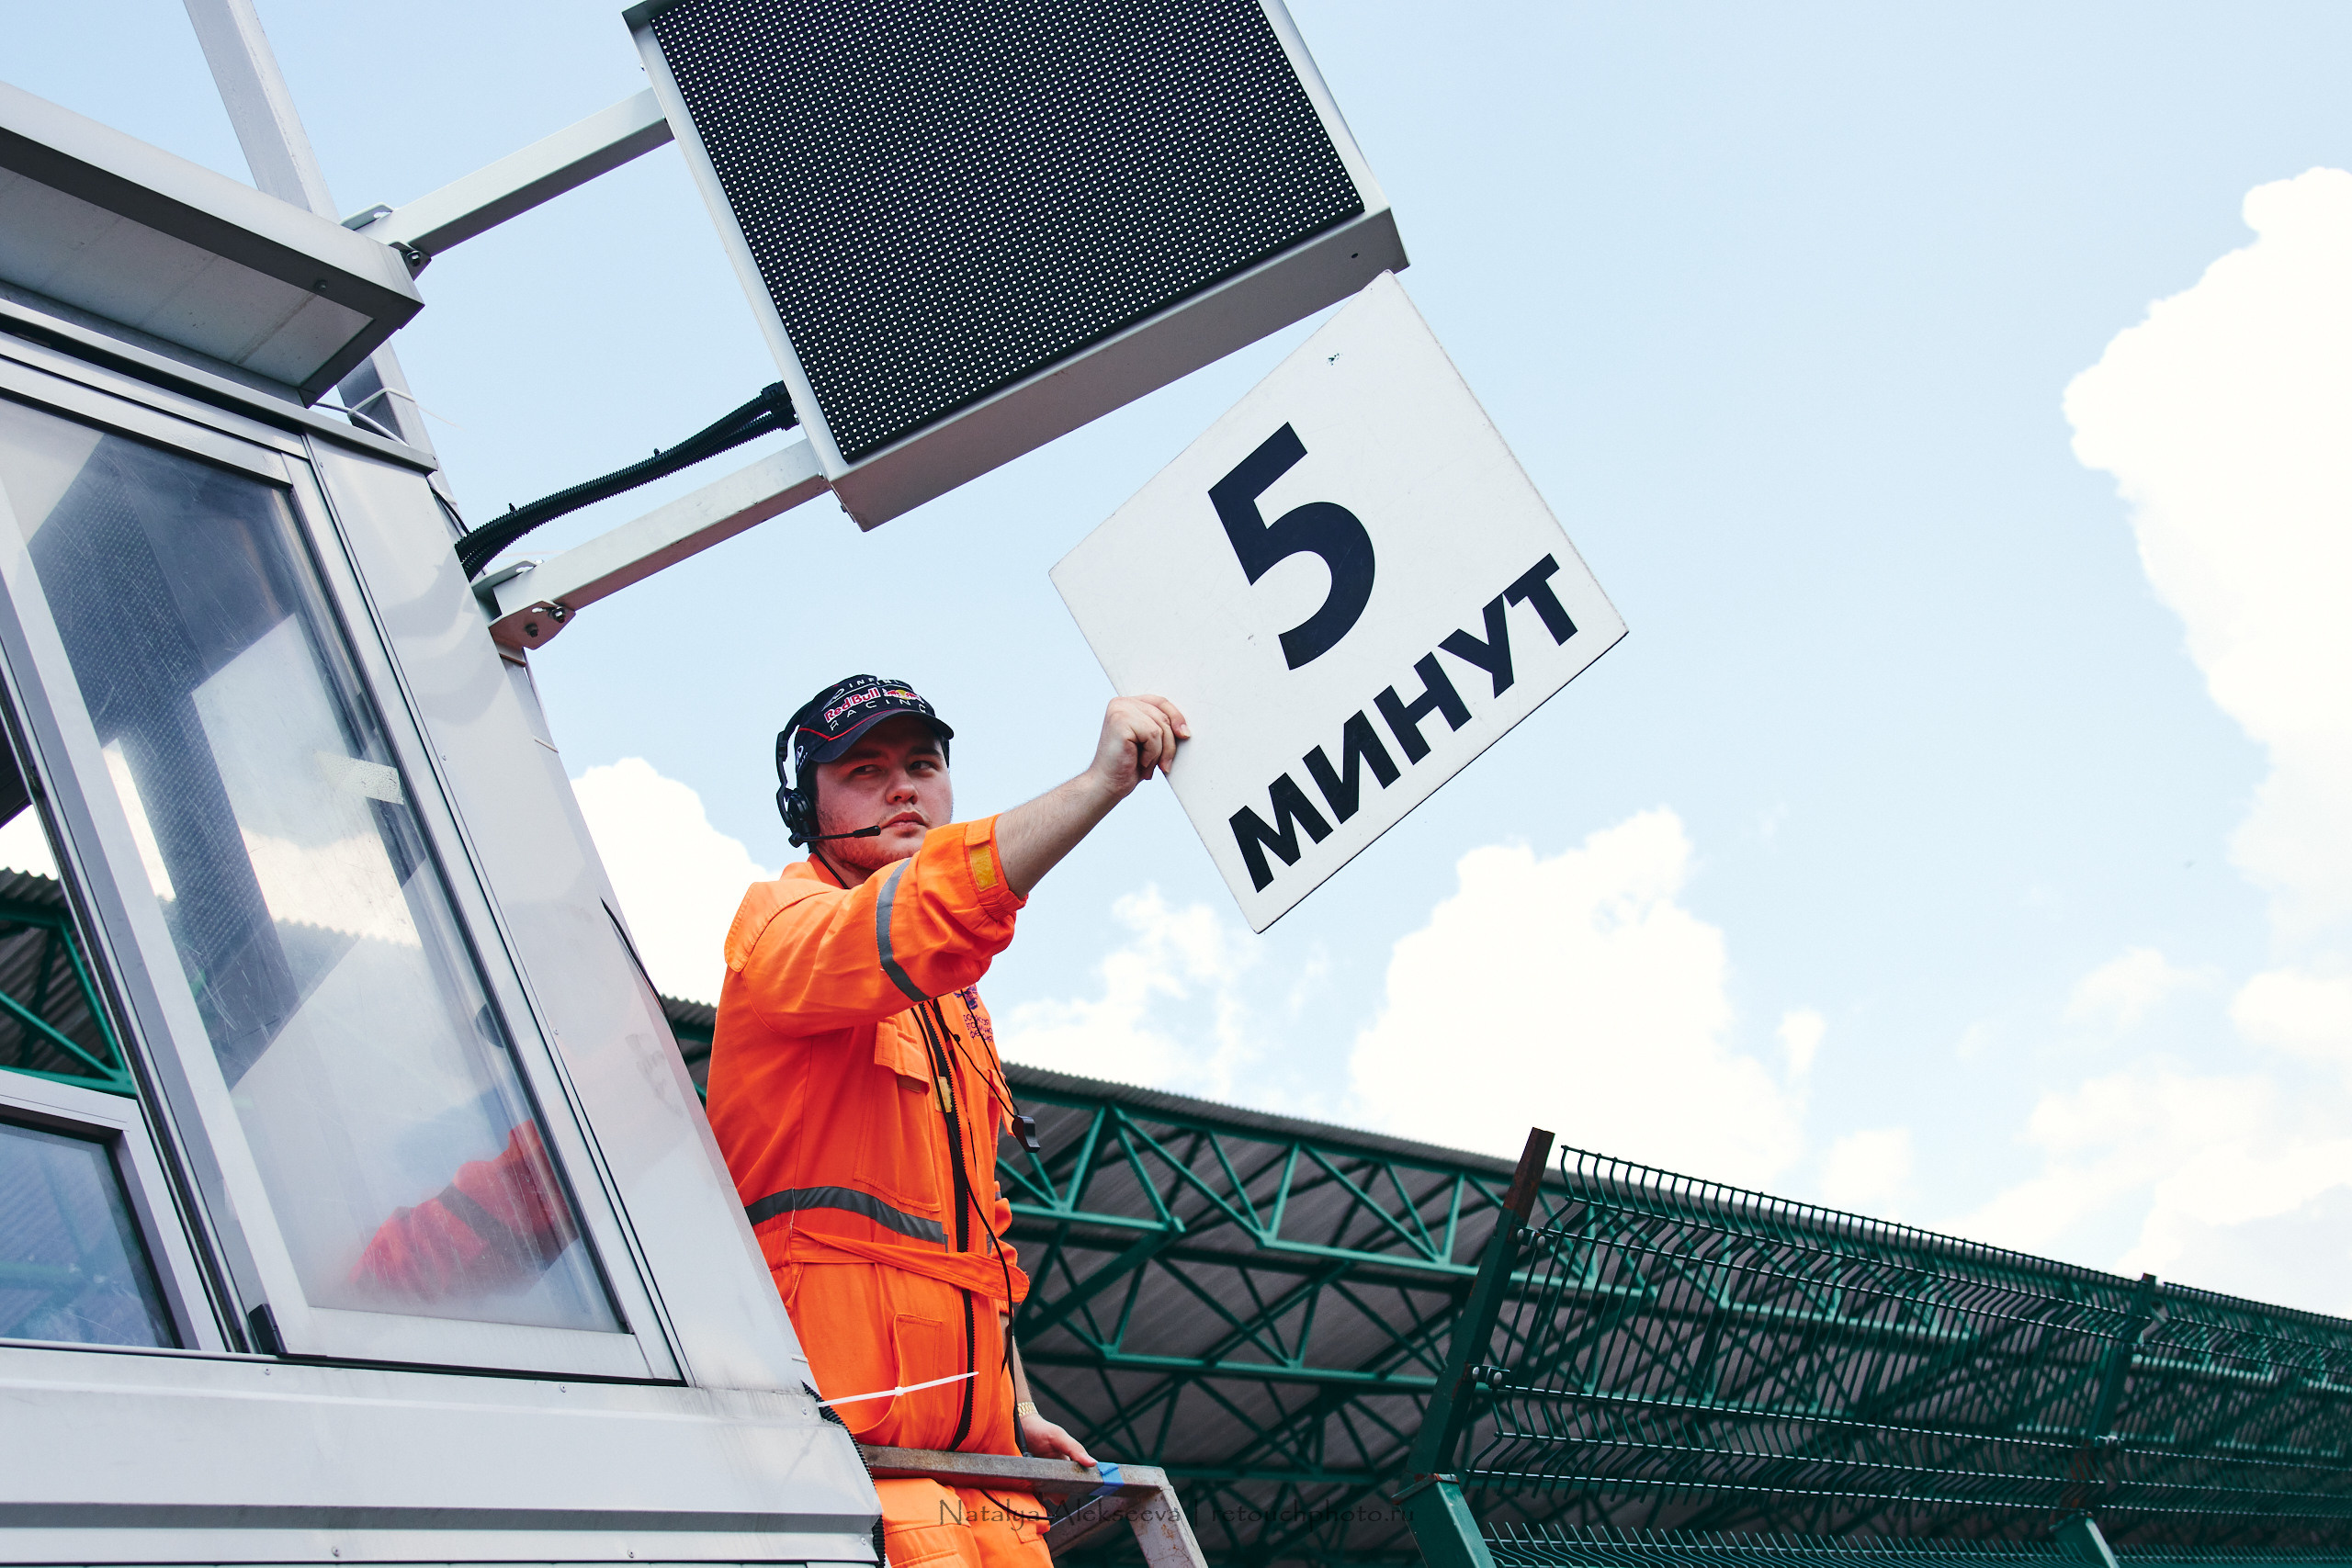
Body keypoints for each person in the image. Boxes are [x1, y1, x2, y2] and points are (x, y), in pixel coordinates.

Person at [707, 674, 1188, 1568]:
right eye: (864, 770)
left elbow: (981, 1241)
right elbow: (916, 915)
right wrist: (1097, 787)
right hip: (843, 1465)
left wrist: (1018, 1405)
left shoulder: (955, 1004)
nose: (902, 788)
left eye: (922, 766)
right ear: (805, 808)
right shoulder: (778, 925)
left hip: (981, 1477)